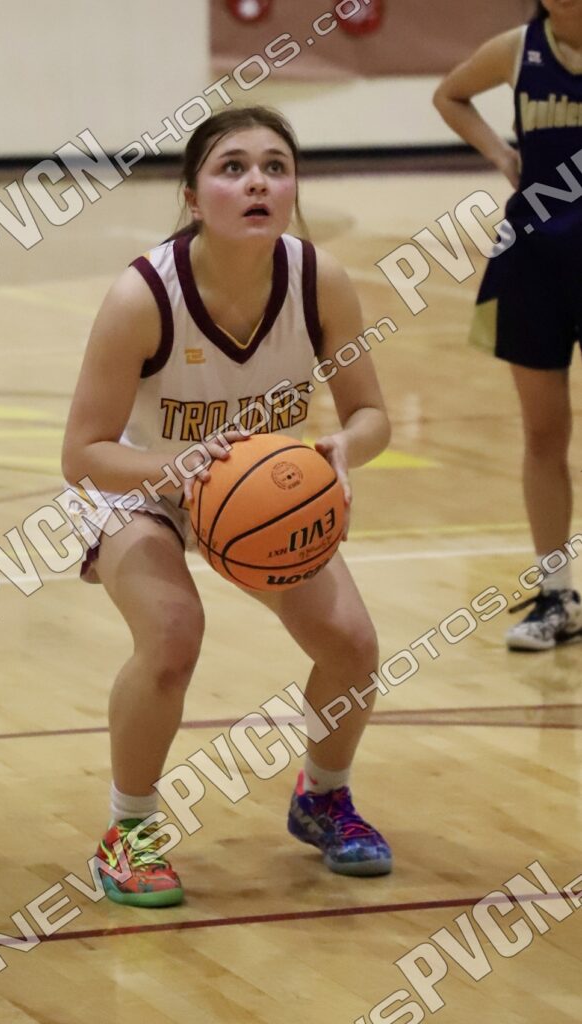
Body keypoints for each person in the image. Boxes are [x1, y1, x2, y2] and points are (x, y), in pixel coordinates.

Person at [62, 106, 392, 908]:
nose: (257, 183)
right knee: (173, 636)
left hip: (257, 495)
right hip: (142, 482)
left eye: (276, 167)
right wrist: (174, 470)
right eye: (233, 167)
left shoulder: (320, 280)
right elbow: (83, 453)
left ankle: (323, 799)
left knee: (352, 645)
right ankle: (129, 832)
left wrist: (344, 447)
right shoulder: (143, 296)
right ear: (192, 195)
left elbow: (371, 414)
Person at [434, 0, 582, 652]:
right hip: (534, 260)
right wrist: (501, 153)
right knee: (544, 434)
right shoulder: (517, 48)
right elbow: (450, 94)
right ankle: (558, 596)